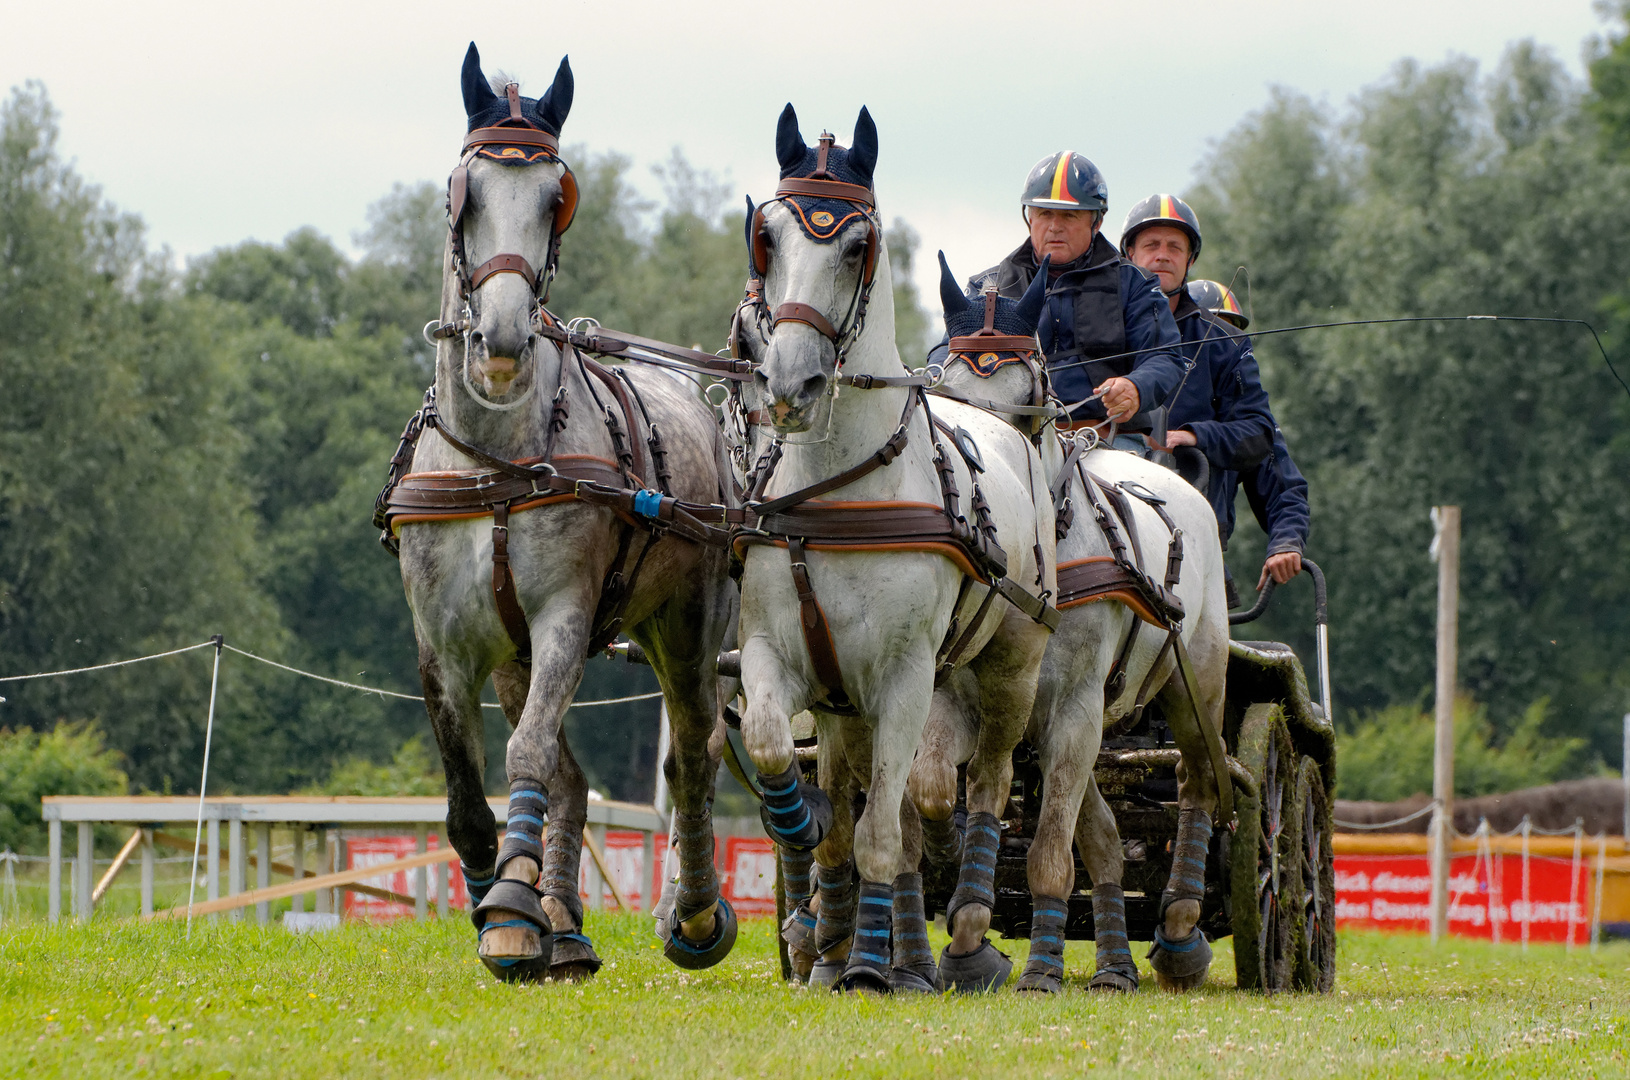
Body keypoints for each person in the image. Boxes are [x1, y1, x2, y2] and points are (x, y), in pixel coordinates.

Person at [1119, 194, 1309, 599]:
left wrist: (1286, 541)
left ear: (1190, 259)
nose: (1162, 256)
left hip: (1196, 546)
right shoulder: (1101, 330)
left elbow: (1268, 453)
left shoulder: (1225, 348)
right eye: (1152, 245)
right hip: (1107, 532)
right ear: (1129, 253)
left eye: (1175, 247)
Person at [928, 152, 1186, 451]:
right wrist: (937, 374)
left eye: (1069, 215)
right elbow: (945, 352)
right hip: (1010, 442)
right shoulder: (988, 286)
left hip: (1109, 441)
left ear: (1097, 221)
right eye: (1044, 214)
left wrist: (1136, 388)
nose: (1054, 226)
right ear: (1029, 218)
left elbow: (1165, 358)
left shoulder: (1135, 284)